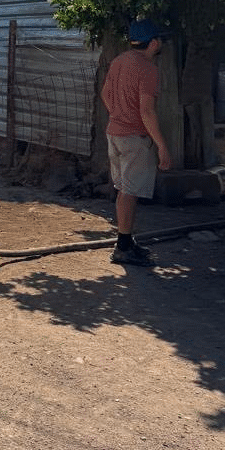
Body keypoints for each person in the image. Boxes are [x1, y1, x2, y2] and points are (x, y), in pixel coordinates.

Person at [100, 19, 173, 266]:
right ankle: (122, 247)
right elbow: (147, 111)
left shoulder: (119, 61)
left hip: (115, 134)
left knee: (124, 190)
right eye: (160, 39)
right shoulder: (147, 69)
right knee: (130, 192)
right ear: (153, 43)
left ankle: (126, 241)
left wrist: (118, 116)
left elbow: (105, 95)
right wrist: (161, 145)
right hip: (134, 138)